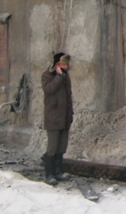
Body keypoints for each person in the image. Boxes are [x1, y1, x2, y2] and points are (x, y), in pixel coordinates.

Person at [41, 52, 73, 186]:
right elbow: (49, 90)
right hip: (53, 118)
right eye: (63, 65)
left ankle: (58, 172)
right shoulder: (47, 76)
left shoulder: (66, 76)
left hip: (64, 118)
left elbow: (68, 96)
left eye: (67, 64)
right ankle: (49, 175)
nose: (66, 67)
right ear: (57, 65)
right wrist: (58, 76)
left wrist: (70, 114)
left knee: (61, 147)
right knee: (52, 147)